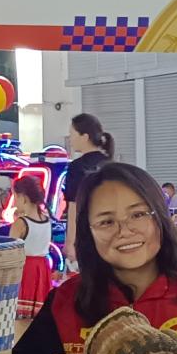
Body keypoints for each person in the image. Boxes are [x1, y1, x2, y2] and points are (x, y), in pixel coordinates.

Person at [14, 162, 177, 354]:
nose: (124, 231)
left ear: (161, 218)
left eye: (138, 214)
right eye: (106, 222)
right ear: (88, 232)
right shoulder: (66, 301)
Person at [62, 112, 114, 263]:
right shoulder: (111, 163)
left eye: (72, 134)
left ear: (84, 137)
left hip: (87, 233)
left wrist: (70, 242)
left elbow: (74, 207)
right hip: (109, 231)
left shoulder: (76, 167)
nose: (70, 139)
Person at [10, 175, 55, 333]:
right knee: (36, 319)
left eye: (15, 197)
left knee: (20, 321)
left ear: (23, 198)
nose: (14, 202)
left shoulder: (20, 223)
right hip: (42, 270)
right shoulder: (47, 221)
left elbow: (10, 252)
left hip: (25, 270)